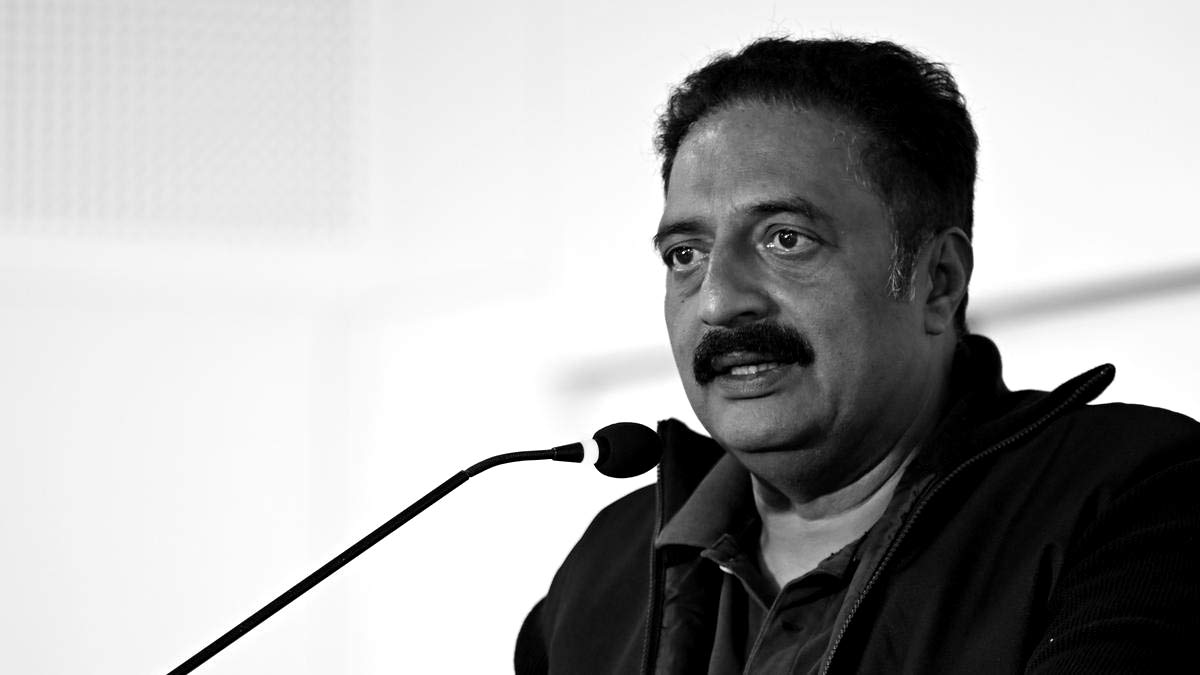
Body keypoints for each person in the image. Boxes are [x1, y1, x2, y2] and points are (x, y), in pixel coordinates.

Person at [514, 37, 1200, 674]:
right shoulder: (604, 571)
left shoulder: (1139, 495)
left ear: (938, 281)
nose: (718, 301)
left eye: (786, 239)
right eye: (685, 254)